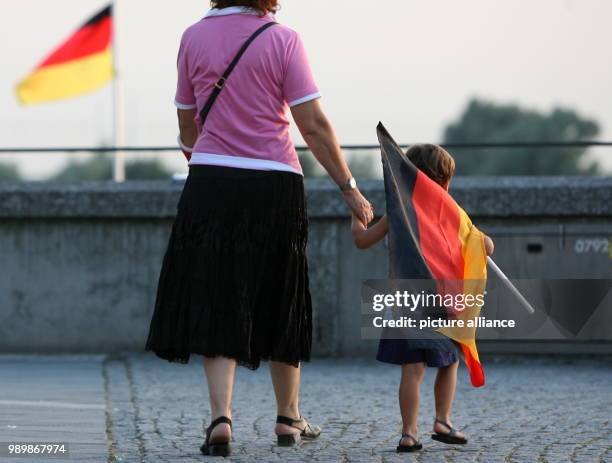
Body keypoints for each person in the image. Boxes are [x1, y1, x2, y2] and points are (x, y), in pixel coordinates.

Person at [145, 0, 374, 457]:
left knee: (217, 292)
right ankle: (288, 416)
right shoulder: (283, 39)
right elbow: (312, 124)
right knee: (281, 290)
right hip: (275, 180)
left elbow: (187, 122)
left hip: (211, 180)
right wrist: (348, 187)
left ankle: (220, 419)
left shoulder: (193, 36)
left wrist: (202, 158)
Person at [351, 143, 494, 452]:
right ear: (442, 182)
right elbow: (487, 247)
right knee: (449, 362)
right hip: (442, 306)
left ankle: (409, 432)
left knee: (412, 371)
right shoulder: (451, 215)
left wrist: (357, 218)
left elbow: (362, 241)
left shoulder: (398, 215)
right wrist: (478, 241)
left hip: (406, 305)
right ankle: (442, 419)